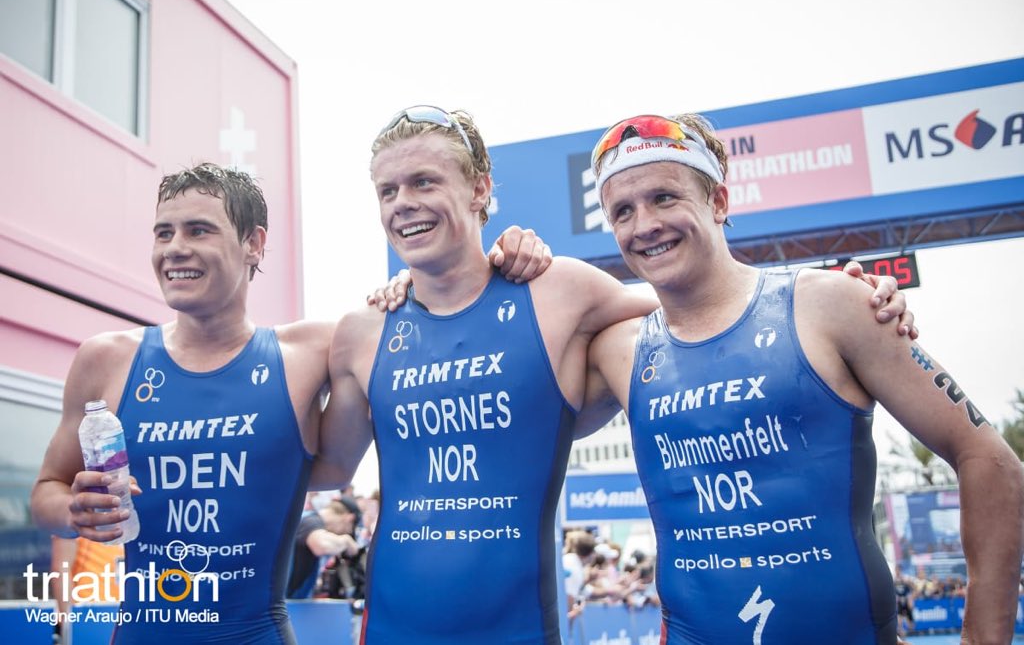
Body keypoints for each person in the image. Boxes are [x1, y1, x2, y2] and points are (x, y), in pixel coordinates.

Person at [318, 106, 915, 644]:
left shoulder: (562, 292)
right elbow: (330, 467)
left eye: (423, 181)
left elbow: (709, 315)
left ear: (480, 188)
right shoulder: (364, 331)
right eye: (388, 190)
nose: (403, 202)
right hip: (390, 628)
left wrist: (842, 300)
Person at [28, 162, 546, 644]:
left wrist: (491, 257)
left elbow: (433, 307)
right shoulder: (107, 359)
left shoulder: (312, 351)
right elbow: (47, 492)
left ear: (254, 244)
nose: (175, 249)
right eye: (163, 233)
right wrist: (74, 510)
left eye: (198, 231)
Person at [579, 113, 1024, 643]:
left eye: (664, 198)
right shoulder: (619, 351)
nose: (644, 224)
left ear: (718, 202)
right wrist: (512, 253)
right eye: (623, 211)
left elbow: (992, 461)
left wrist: (982, 638)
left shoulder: (831, 304)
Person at [286, 496, 361, 599]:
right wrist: (346, 540)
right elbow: (321, 546)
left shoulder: (308, 520)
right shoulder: (311, 521)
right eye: (349, 528)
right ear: (349, 518)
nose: (344, 532)